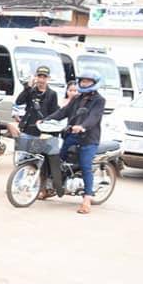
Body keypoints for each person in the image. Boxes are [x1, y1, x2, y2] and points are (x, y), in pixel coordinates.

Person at [46, 72, 106, 215]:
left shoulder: (99, 100)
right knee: (58, 162)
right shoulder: (76, 98)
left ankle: (87, 199)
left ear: (94, 83)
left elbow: (94, 117)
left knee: (85, 166)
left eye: (88, 81)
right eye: (83, 81)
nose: (84, 83)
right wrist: (46, 119)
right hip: (71, 136)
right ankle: (52, 189)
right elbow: (63, 112)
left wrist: (83, 126)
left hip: (89, 138)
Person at [8, 66, 59, 138]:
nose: (41, 80)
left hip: (42, 131)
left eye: (44, 77)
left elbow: (53, 113)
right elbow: (19, 102)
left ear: (48, 78)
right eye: (39, 77)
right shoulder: (30, 91)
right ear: (36, 77)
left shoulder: (52, 94)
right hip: (27, 129)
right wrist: (28, 87)